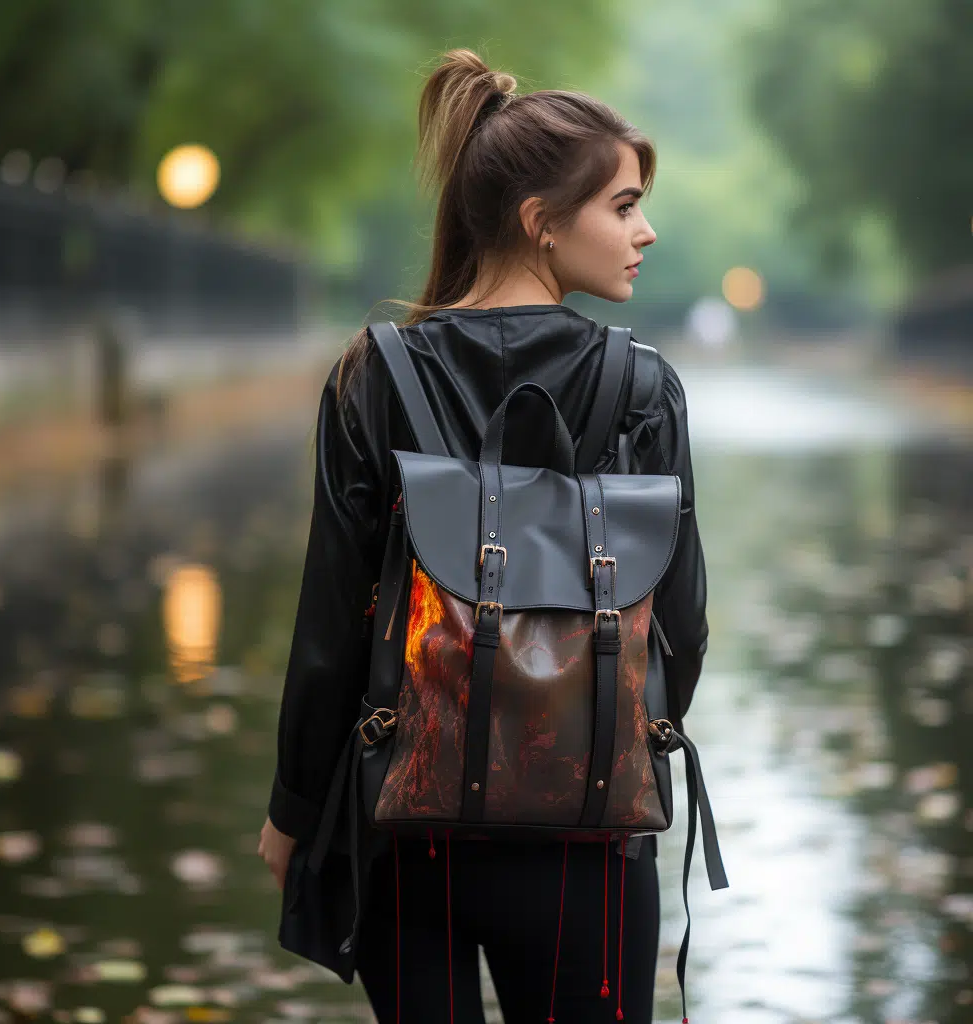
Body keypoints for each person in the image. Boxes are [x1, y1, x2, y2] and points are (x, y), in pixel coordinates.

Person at [258, 48, 709, 1024]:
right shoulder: (642, 387)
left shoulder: (374, 374)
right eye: (622, 205)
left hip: (404, 823)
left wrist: (296, 808)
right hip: (586, 828)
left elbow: (332, 626)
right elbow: (681, 620)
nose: (645, 230)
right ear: (541, 222)